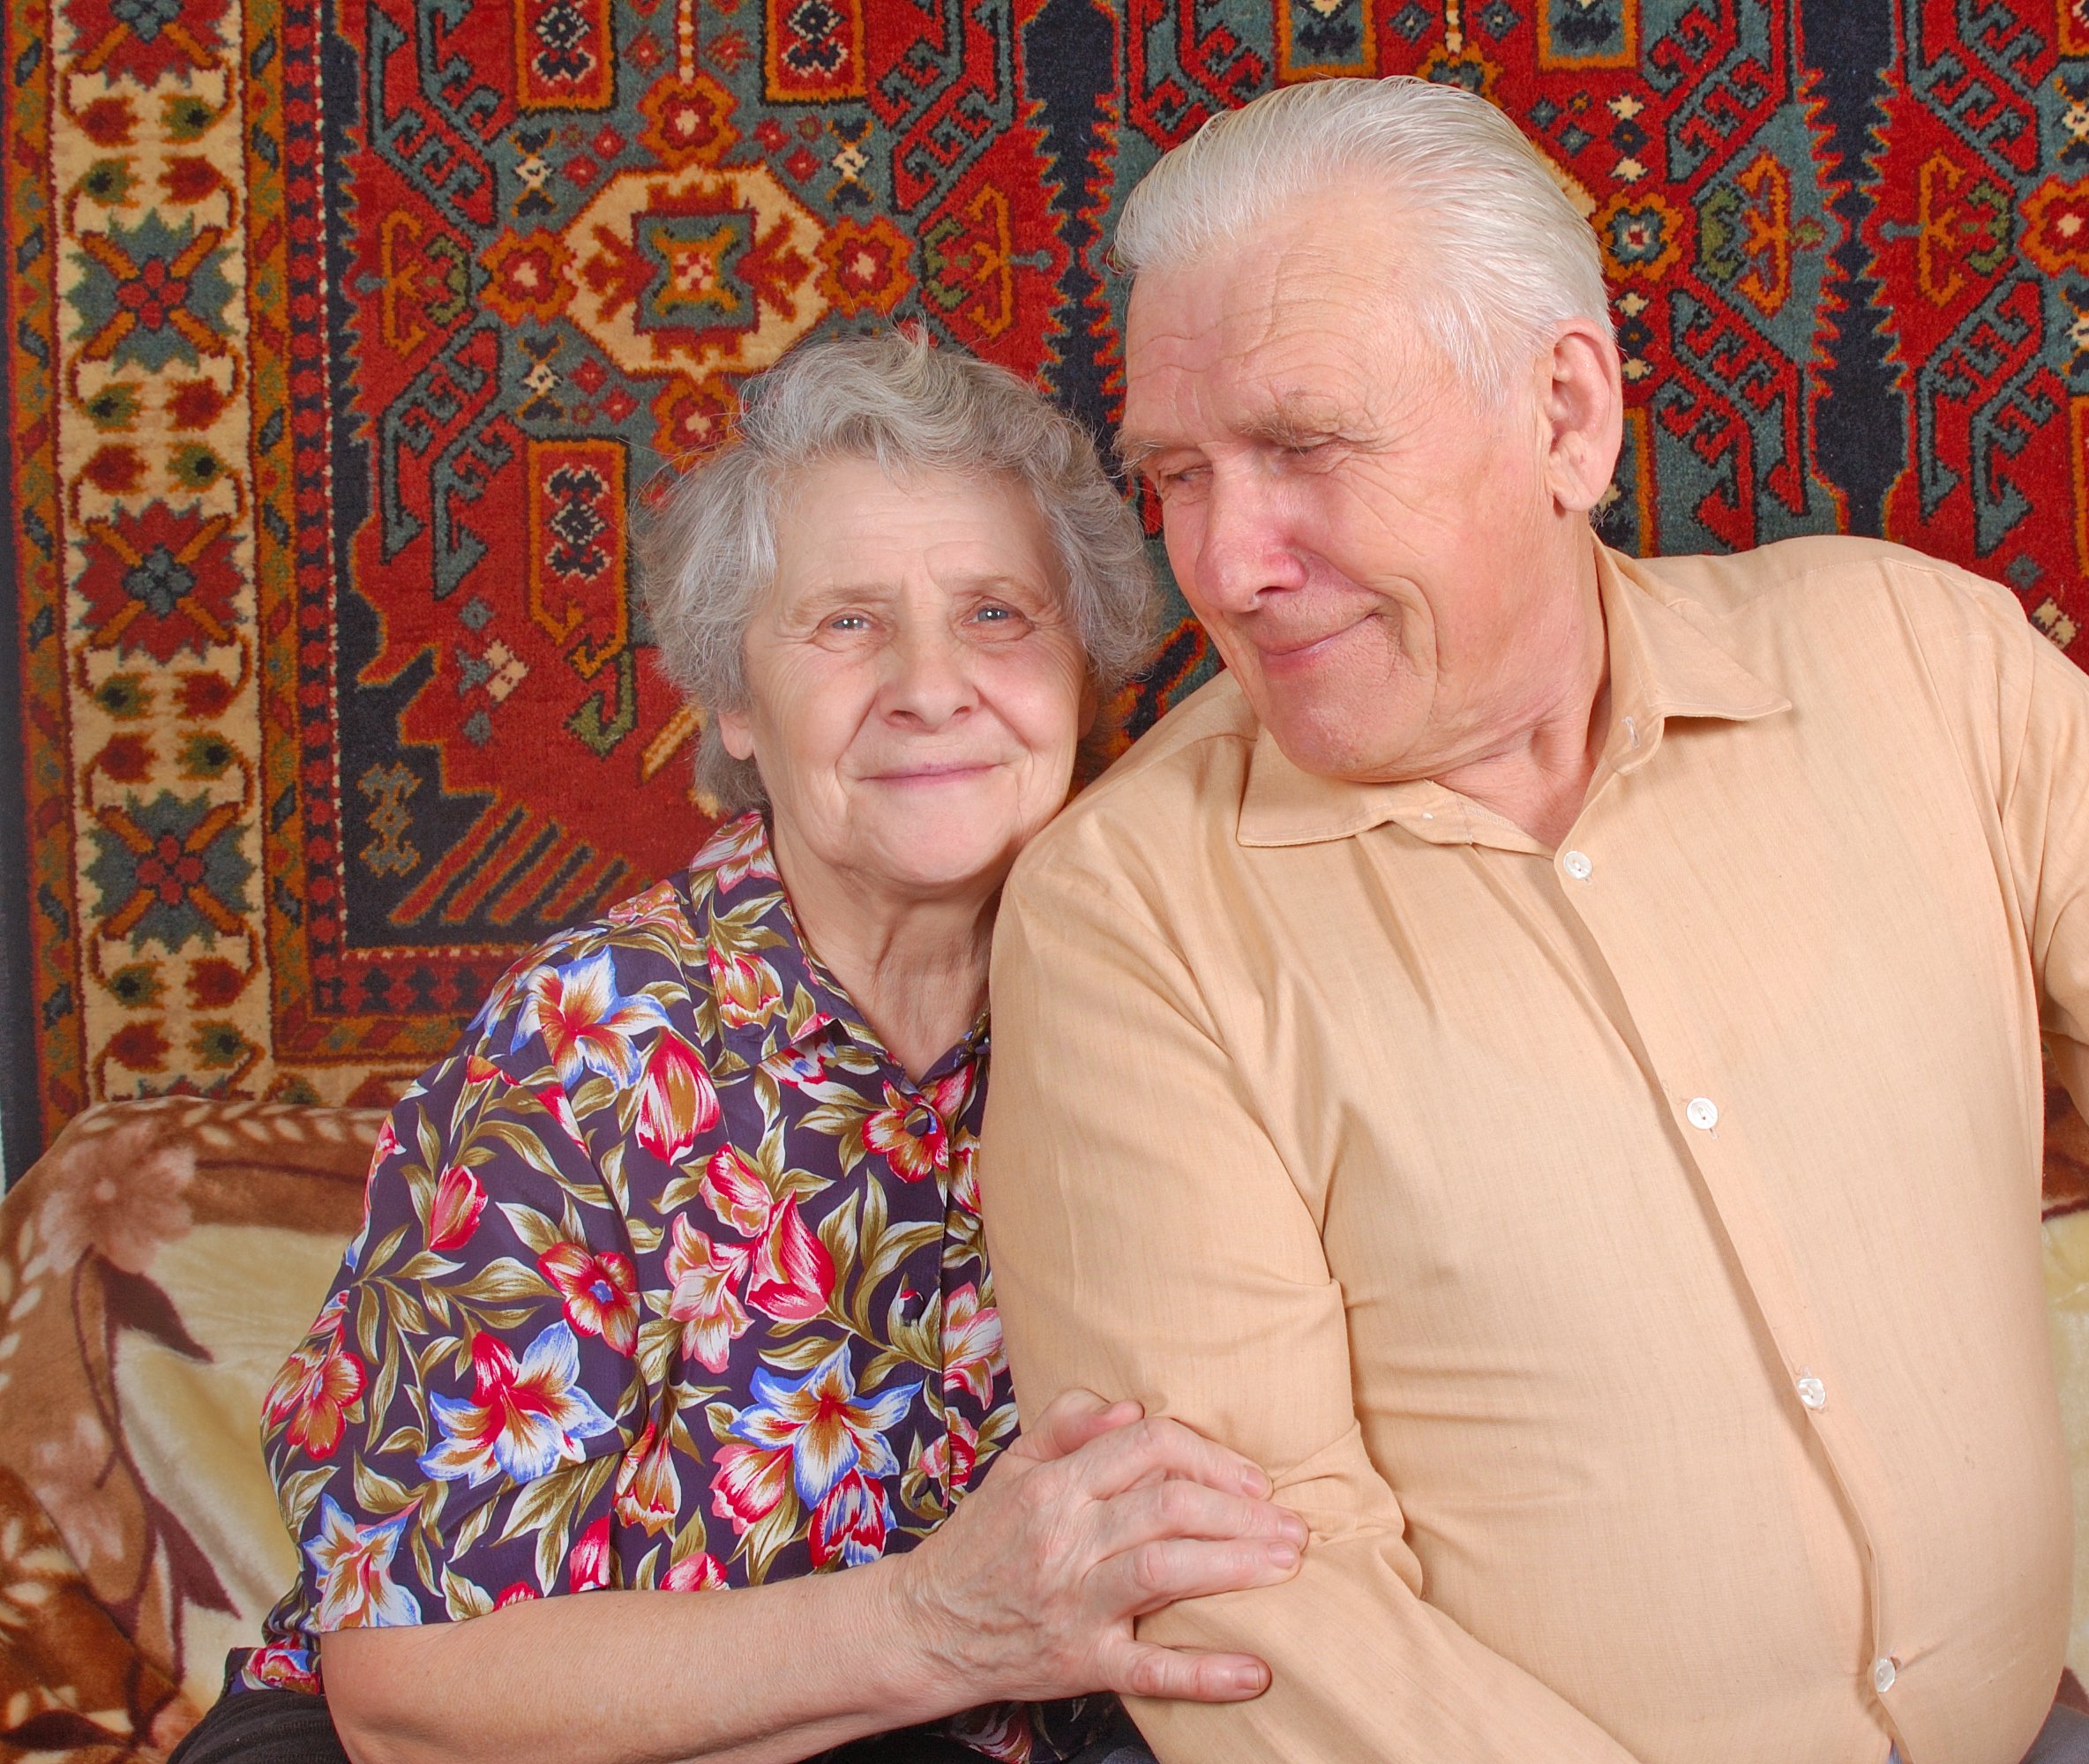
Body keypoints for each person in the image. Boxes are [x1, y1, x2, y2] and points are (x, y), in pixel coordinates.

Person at [974, 76, 2089, 1764]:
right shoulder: (1126, 922)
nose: (1227, 560)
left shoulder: (1923, 670)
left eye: (1304, 446)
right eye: (1178, 474)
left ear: (1567, 415)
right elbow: (1262, 1614)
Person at [170, 331, 1307, 1764]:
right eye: (844, 624)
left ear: (1086, 672)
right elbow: (405, 1701)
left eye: (1000, 615)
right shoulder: (590, 1045)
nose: (931, 684)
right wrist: (939, 1624)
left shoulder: (1166, 1002)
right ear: (732, 703)